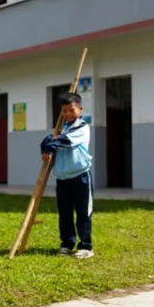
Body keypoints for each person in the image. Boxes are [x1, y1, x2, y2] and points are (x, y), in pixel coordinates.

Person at [41, 92, 94, 259]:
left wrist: (50, 143)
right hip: (62, 177)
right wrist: (45, 149)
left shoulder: (82, 127)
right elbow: (47, 142)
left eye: (71, 110)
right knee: (64, 213)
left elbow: (63, 142)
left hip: (80, 176)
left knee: (83, 212)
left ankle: (86, 246)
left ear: (80, 109)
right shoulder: (61, 128)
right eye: (64, 111)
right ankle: (67, 243)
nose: (68, 114)